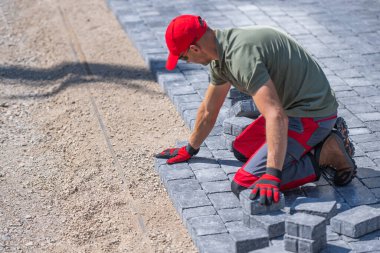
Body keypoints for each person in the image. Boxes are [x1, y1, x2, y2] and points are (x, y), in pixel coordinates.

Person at [156, 15, 356, 206]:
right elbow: (209, 109)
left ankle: (325, 153)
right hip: (291, 108)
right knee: (242, 149)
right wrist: (190, 148)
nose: (187, 62)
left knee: (245, 185)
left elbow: (275, 115)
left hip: (312, 113)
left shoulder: (241, 57)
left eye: (183, 57)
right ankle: (321, 140)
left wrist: (272, 174)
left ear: (194, 48)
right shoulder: (220, 52)